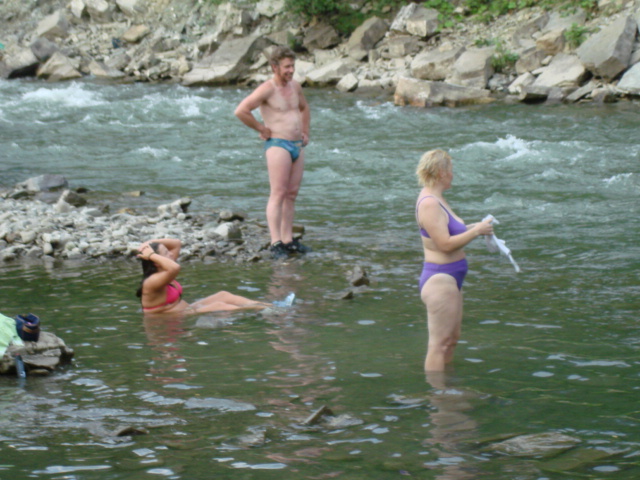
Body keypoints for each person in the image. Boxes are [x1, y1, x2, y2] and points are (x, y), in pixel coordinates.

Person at [415, 150, 494, 372]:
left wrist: (475, 227)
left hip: (452, 278)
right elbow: (445, 244)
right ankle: (436, 390)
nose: (453, 175)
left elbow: (448, 232)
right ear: (441, 173)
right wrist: (476, 232)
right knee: (439, 345)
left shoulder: (438, 198)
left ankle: (447, 385)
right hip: (440, 279)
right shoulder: (429, 203)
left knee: (451, 340)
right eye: (450, 170)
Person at [234, 46, 311, 259]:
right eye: (287, 67)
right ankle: (275, 242)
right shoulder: (267, 89)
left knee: (291, 194)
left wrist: (305, 131)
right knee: (278, 193)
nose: (291, 70)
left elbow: (304, 108)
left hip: (297, 145)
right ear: (274, 67)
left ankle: (288, 239)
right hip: (278, 144)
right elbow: (241, 110)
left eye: (292, 66)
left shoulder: (295, 86)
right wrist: (261, 128)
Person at [136, 238, 294, 315]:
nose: (171, 254)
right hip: (169, 320)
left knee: (223, 295)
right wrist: (151, 255)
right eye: (166, 253)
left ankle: (273, 306)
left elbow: (176, 243)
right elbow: (176, 267)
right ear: (156, 261)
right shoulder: (152, 281)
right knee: (219, 305)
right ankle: (271, 311)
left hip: (186, 309)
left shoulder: (164, 269)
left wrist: (147, 243)